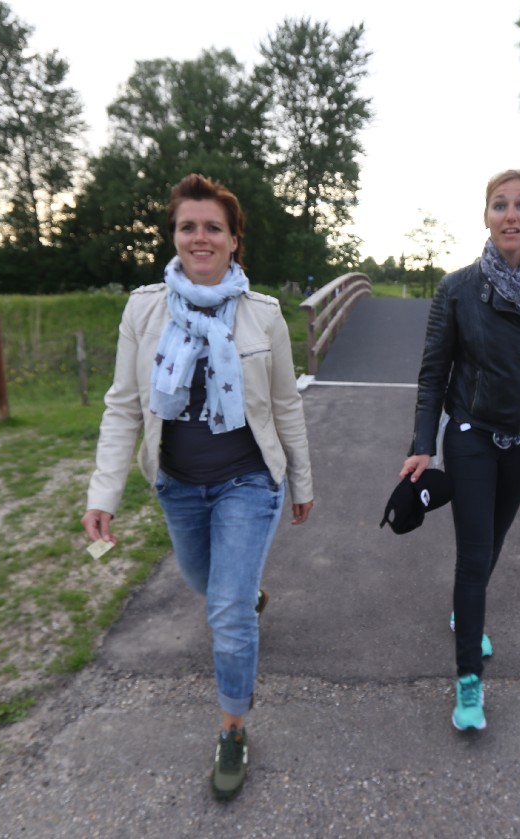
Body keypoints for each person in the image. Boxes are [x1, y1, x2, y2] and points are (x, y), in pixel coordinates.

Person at [81, 173, 313, 801]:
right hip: (178, 484)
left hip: (249, 480)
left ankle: (233, 728)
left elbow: (286, 404)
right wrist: (102, 495)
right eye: (189, 226)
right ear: (174, 236)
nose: (200, 237)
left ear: (234, 240)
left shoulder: (264, 315)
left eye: (214, 227)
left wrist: (301, 480)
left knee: (227, 613)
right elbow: (123, 406)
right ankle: (246, 593)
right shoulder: (144, 309)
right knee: (202, 581)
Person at [399, 169, 520, 731]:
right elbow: (434, 373)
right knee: (475, 552)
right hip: (470, 435)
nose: (511, 214)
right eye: (500, 204)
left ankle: (466, 609)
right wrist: (423, 444)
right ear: (486, 216)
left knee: (495, 539)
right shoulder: (457, 288)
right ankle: (468, 681)